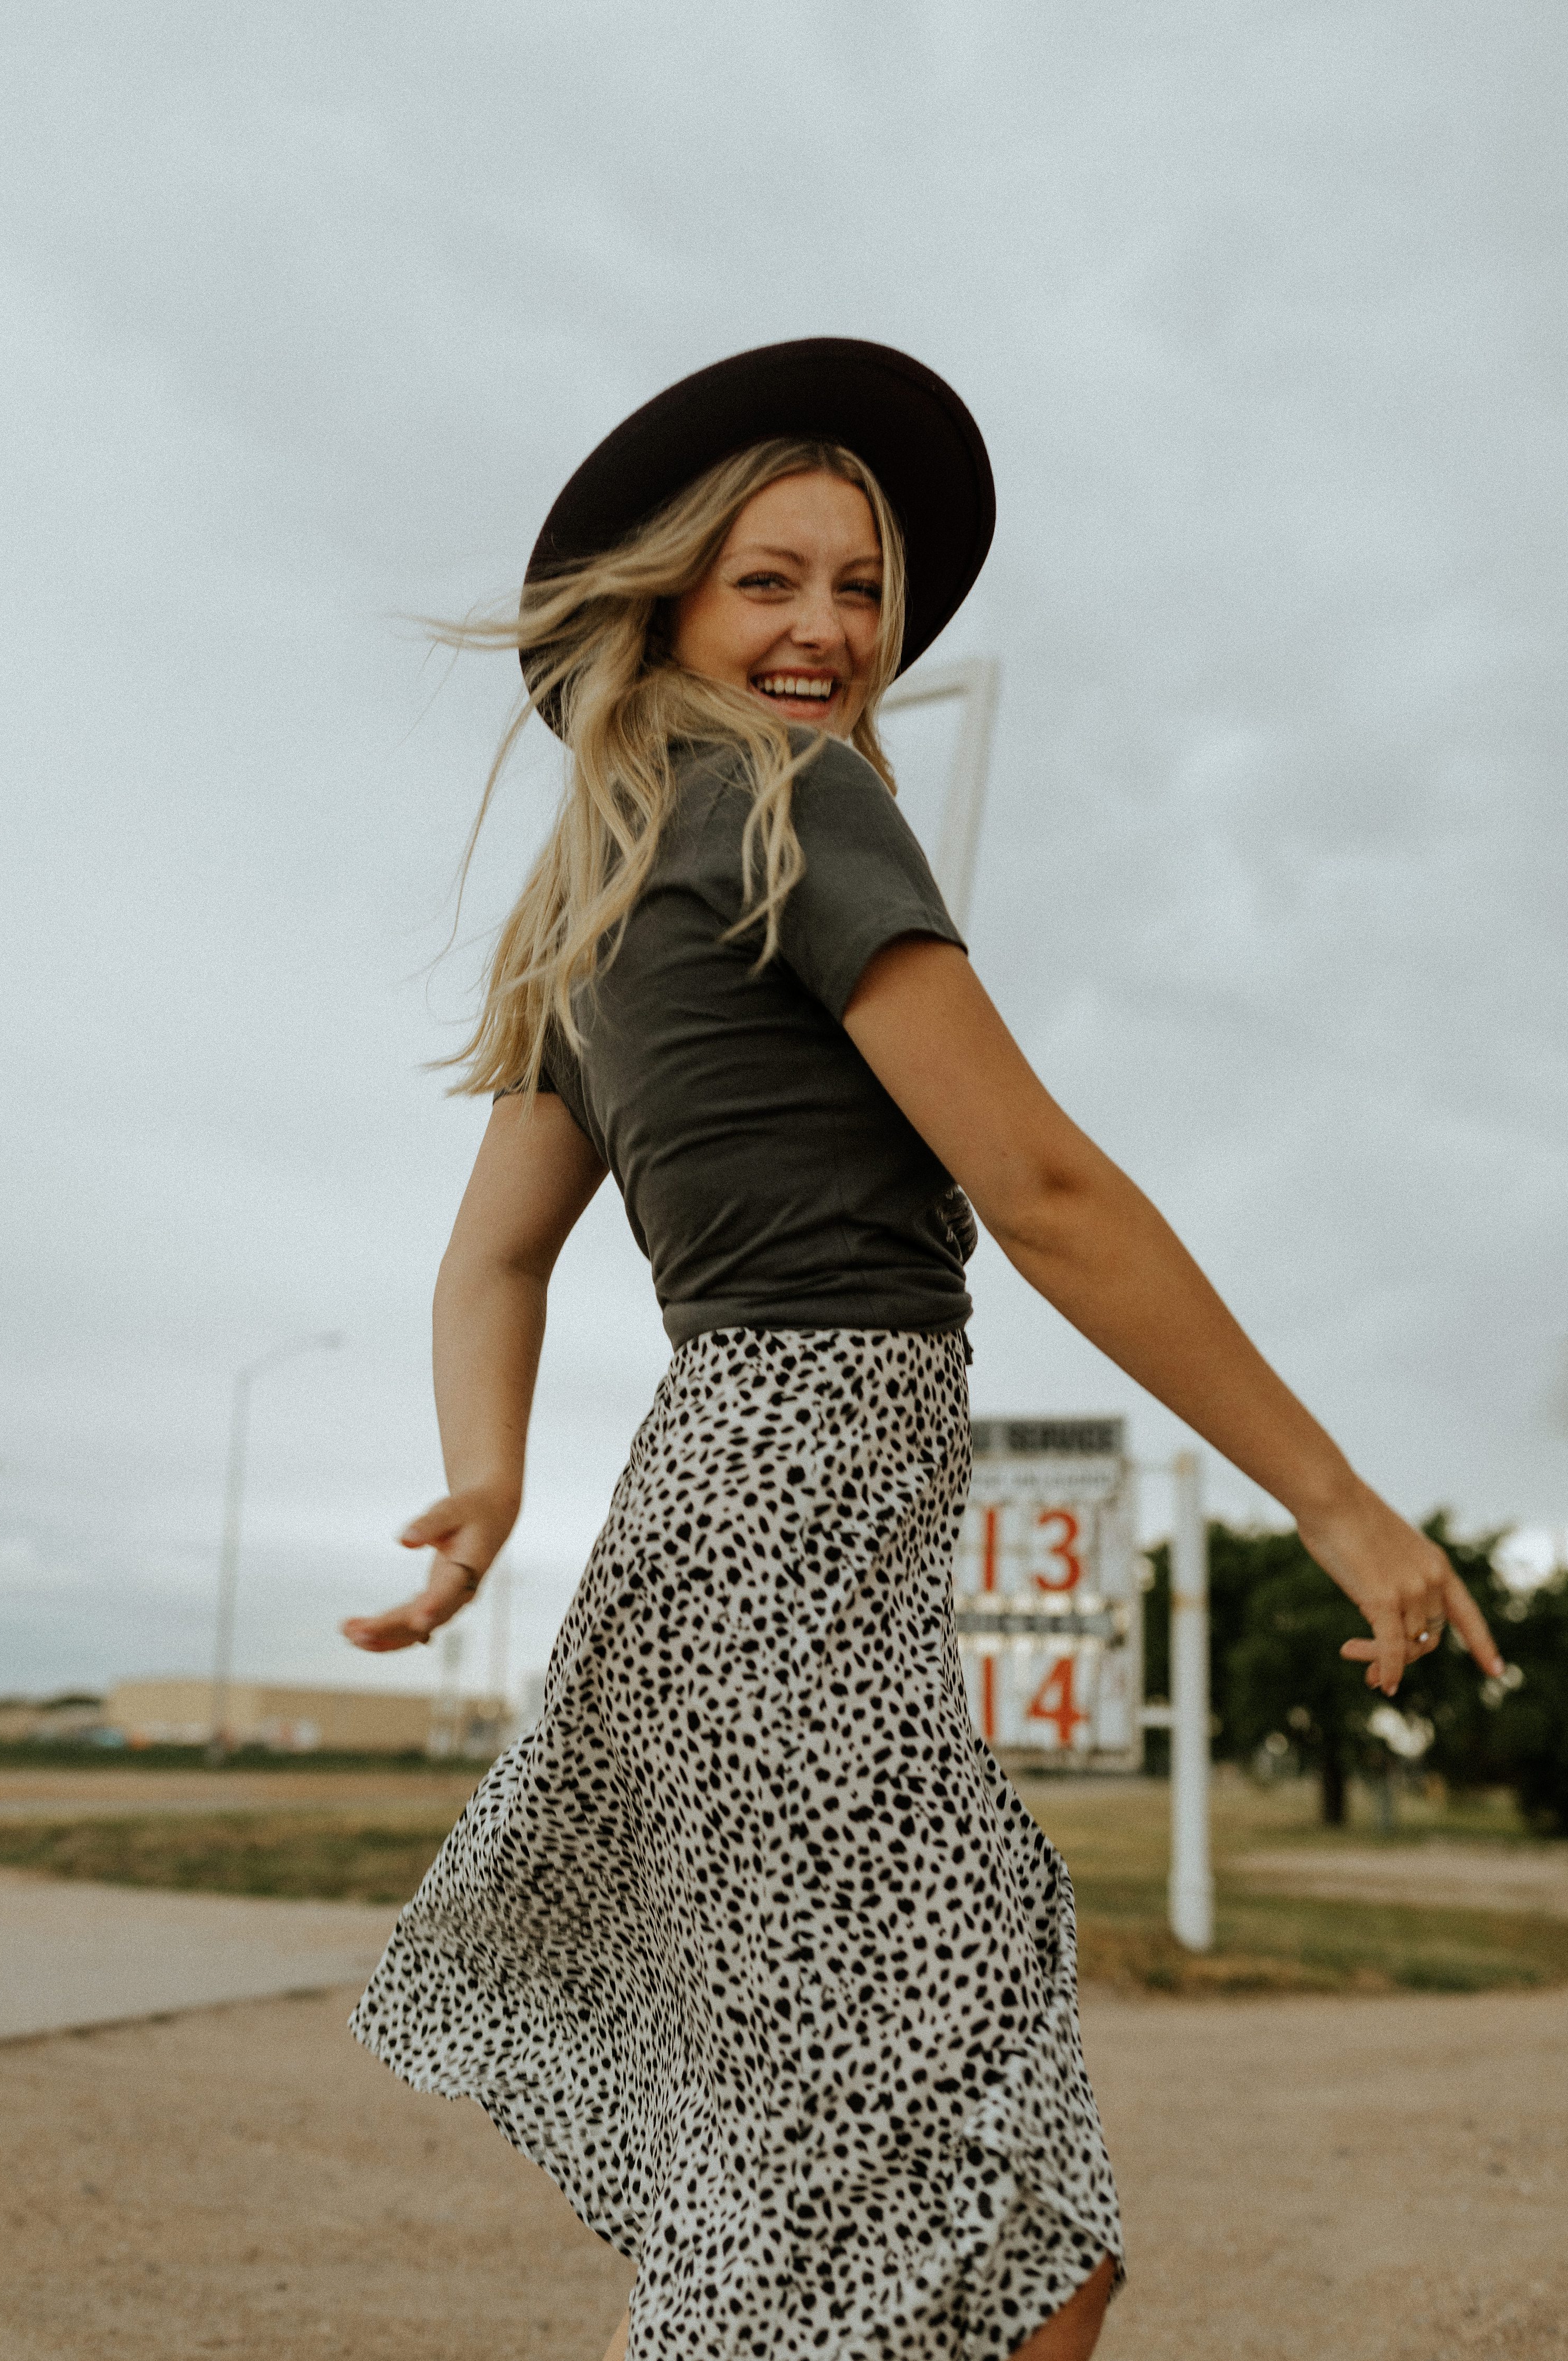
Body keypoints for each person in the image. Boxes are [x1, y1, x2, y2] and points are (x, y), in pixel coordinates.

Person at [343, 338, 1502, 2361]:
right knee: (952, 2213)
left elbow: (492, 1270)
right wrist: (1336, 1500)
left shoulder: (603, 884)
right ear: (672, 598)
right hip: (781, 1542)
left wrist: (498, 1481)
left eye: (859, 585)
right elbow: (1042, 1189)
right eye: (767, 579)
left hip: (720, 1534)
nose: (824, 629)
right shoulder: (787, 805)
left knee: (948, 2207)